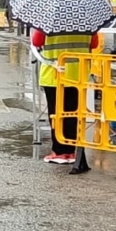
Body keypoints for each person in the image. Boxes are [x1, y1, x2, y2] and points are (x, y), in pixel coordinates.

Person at [33, 28, 100, 165]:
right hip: (78, 74)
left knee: (56, 114)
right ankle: (71, 151)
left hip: (54, 75)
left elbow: (36, 41)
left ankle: (59, 152)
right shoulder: (88, 22)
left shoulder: (49, 21)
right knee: (73, 114)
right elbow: (94, 44)